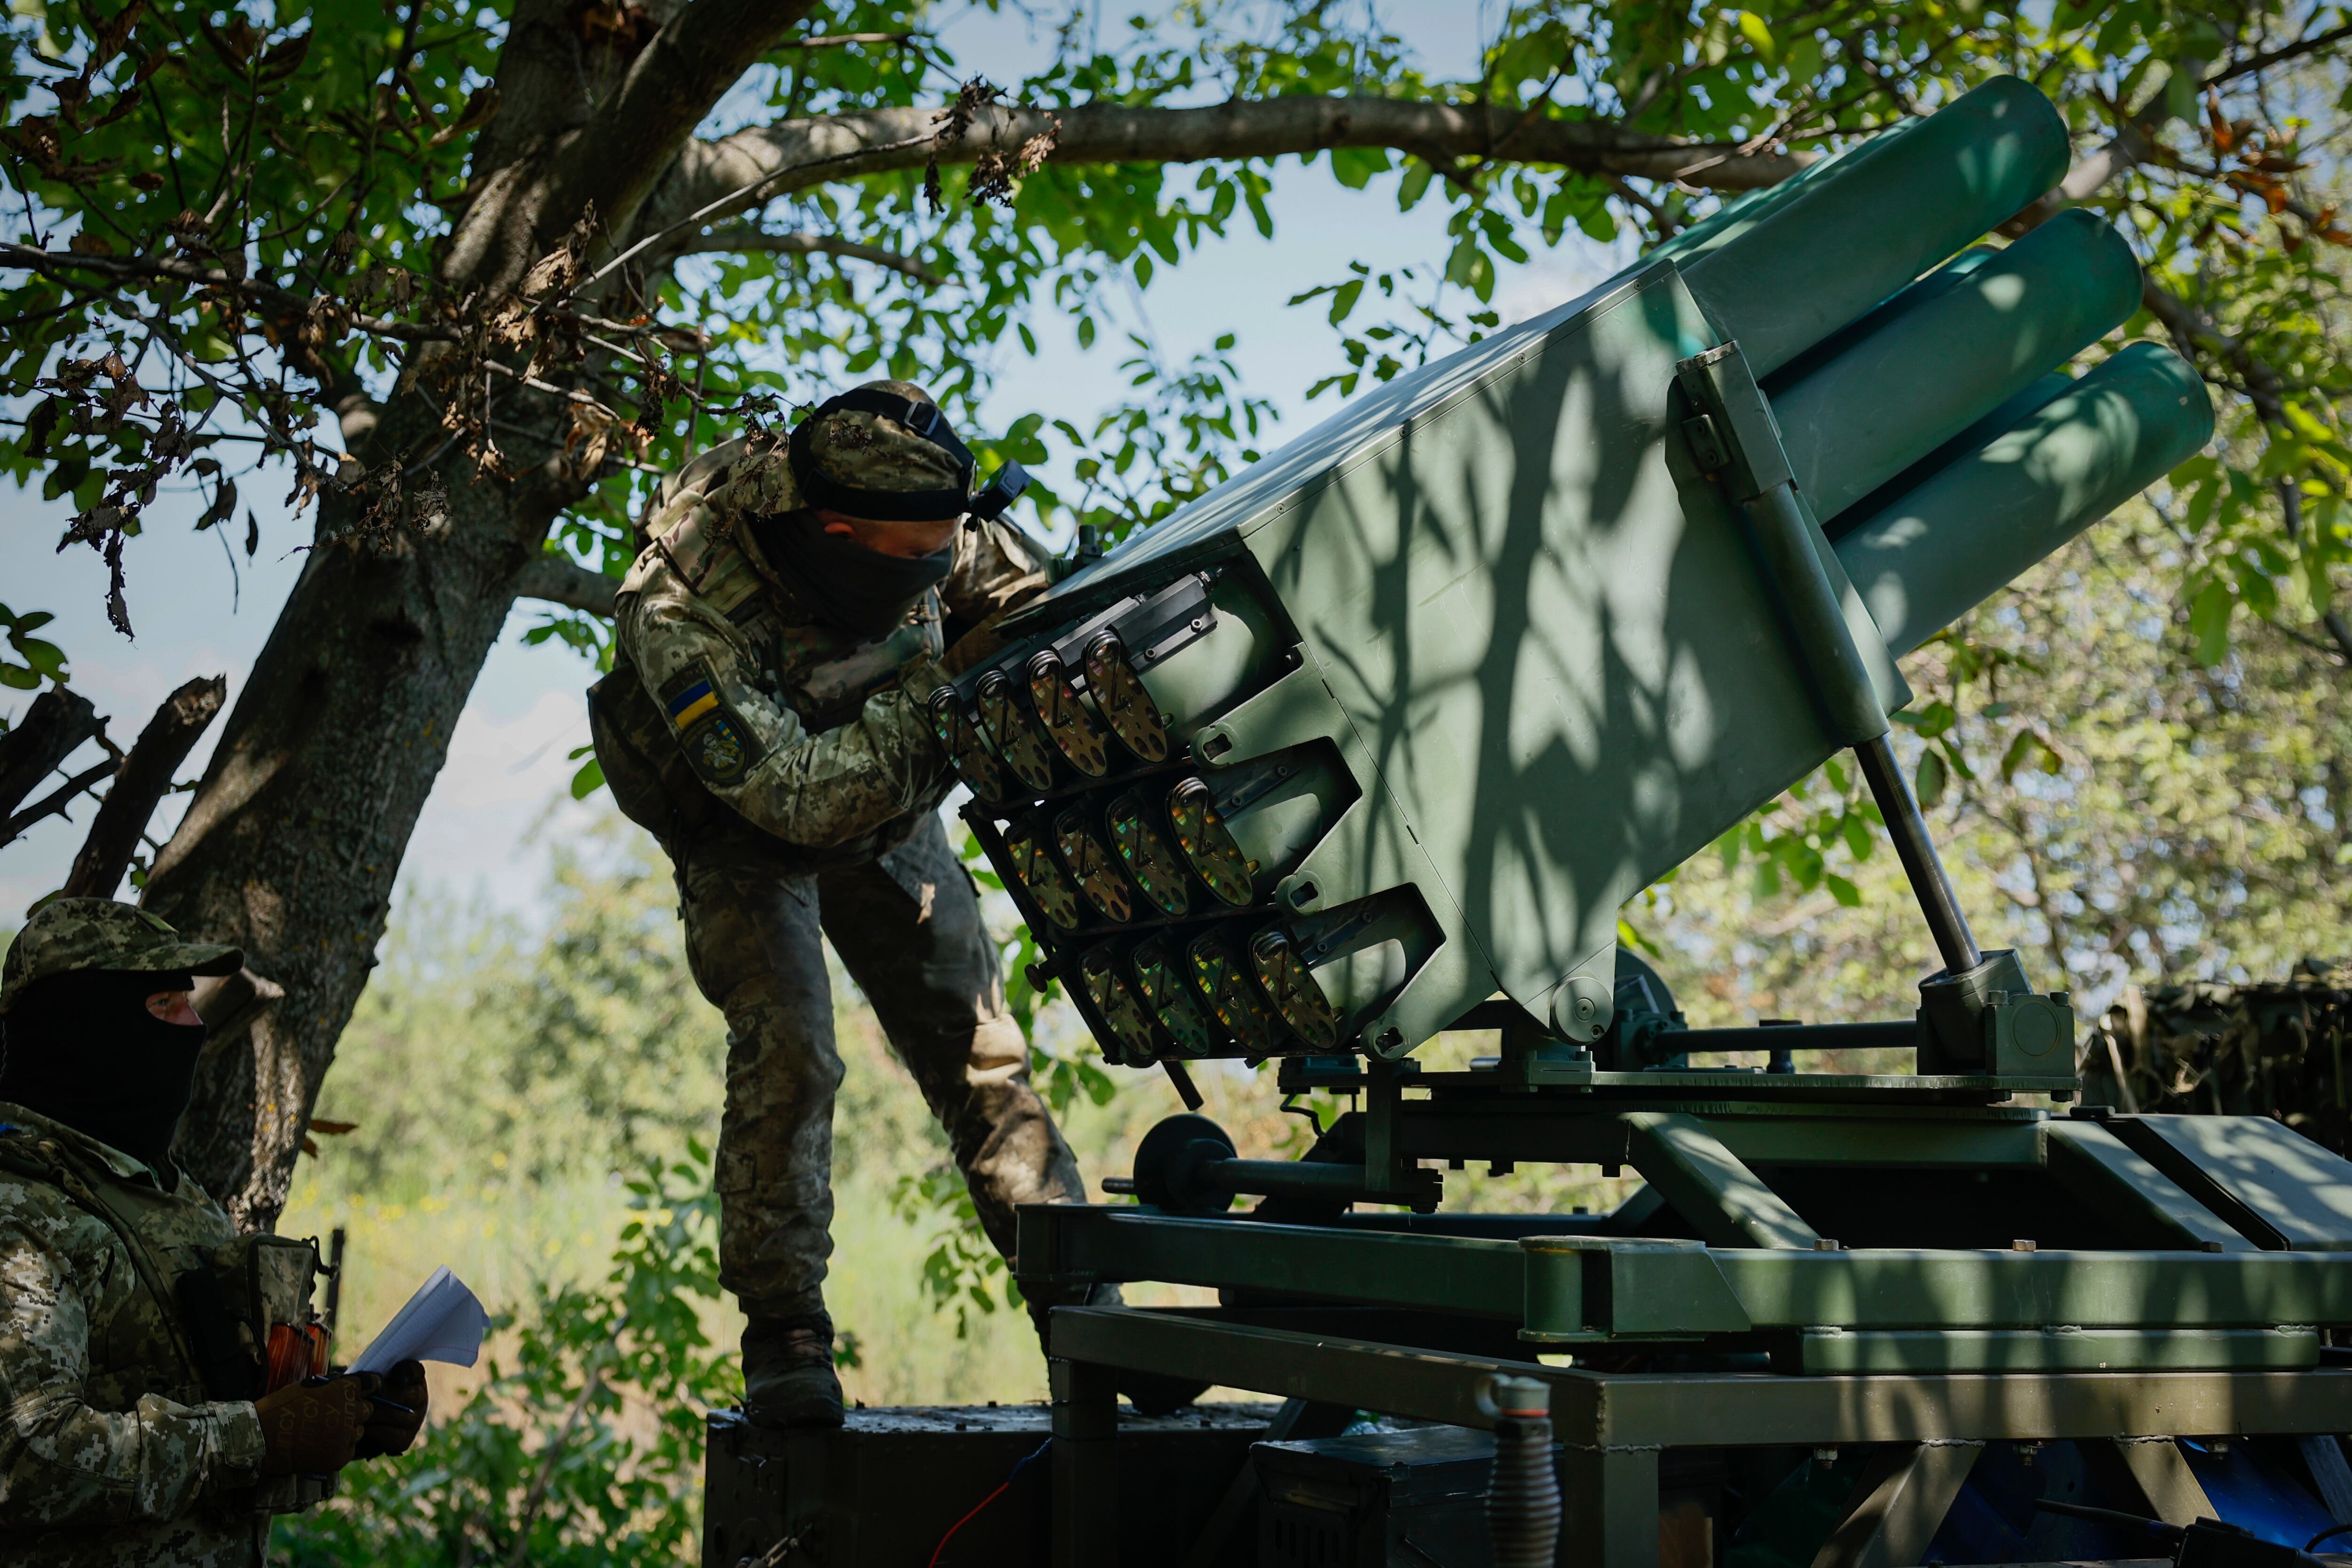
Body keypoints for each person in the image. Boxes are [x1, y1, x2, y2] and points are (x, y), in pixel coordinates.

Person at [590, 381, 1097, 1429]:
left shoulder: (927, 510)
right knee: (794, 1052)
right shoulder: (685, 596)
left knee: (980, 1049)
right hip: (741, 830)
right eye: (915, 553)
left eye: (944, 543)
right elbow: (795, 794)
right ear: (834, 533)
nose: (939, 562)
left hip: (886, 804)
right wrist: (938, 691)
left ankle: (1084, 1308)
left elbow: (1019, 599)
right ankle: (784, 1330)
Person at [0, 897, 428, 1567]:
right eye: (166, 1003)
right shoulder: (20, 1210)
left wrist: (346, 1412)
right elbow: (22, 1456)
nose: (195, 1027)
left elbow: (208, 1395)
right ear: (82, 1022)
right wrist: (255, 1437)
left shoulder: (168, 1191)